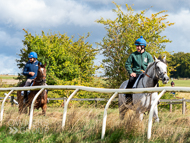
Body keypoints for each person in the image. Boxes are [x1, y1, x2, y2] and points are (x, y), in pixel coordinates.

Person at [125, 36, 154, 102]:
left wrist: (146, 72)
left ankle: (156, 98)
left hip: (145, 74)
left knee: (155, 81)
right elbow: (127, 64)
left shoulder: (148, 55)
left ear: (143, 46)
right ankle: (128, 97)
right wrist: (131, 72)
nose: (137, 47)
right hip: (136, 74)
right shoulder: (133, 55)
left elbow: (151, 66)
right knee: (131, 80)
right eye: (136, 46)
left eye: (138, 46)